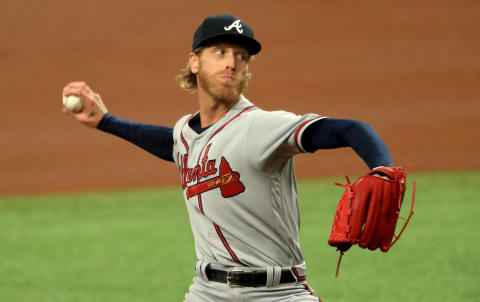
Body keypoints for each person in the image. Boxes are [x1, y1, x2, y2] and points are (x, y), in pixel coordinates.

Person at [63, 14, 393, 302]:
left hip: (278, 293)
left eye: (241, 56)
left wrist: (382, 169)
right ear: (194, 62)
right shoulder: (185, 133)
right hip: (207, 291)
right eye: (220, 52)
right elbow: (173, 145)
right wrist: (107, 122)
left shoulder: (262, 127)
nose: (232, 62)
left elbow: (351, 129)